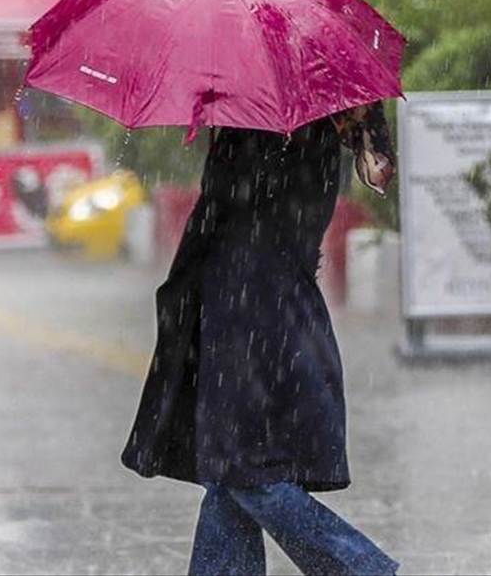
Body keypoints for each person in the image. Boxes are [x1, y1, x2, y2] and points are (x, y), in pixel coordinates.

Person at [120, 102, 399, 576]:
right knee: (229, 467)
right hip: (282, 300)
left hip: (243, 303)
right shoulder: (327, 114)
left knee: (245, 467)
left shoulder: (255, 114)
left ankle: (364, 569)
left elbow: (225, 210)